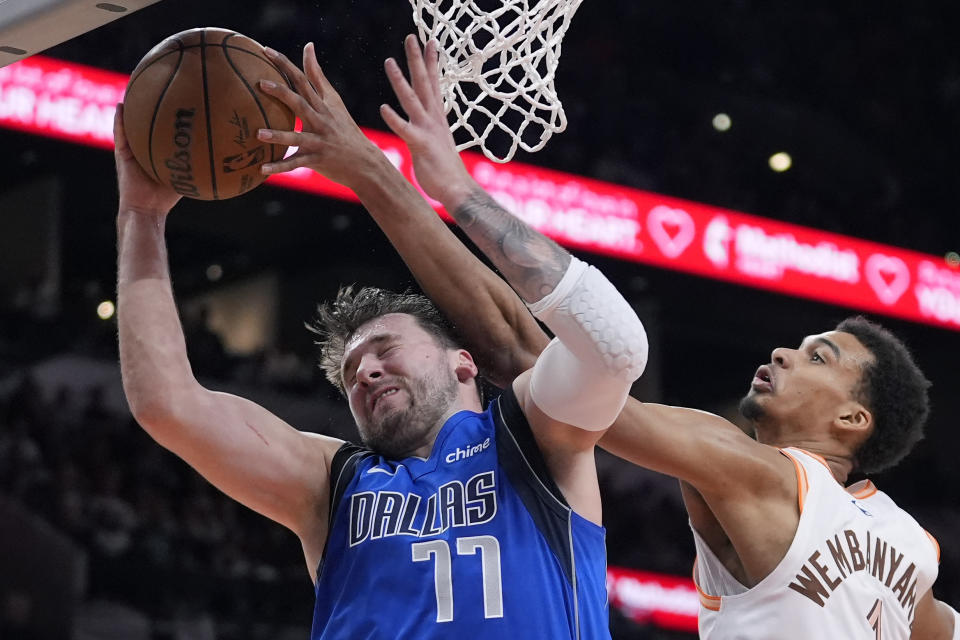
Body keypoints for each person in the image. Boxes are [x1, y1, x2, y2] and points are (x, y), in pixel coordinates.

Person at [259, 35, 958, 639]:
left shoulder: (755, 468)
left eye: (818, 356)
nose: (782, 352)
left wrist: (416, 185)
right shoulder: (912, 547)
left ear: (852, 418)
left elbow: (523, 353)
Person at [113, 40, 650, 639]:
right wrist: (141, 217)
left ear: (464, 363)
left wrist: (454, 192)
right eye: (350, 373)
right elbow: (167, 404)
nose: (364, 372)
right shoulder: (332, 481)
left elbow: (613, 349)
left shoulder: (533, 439)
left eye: (384, 350)